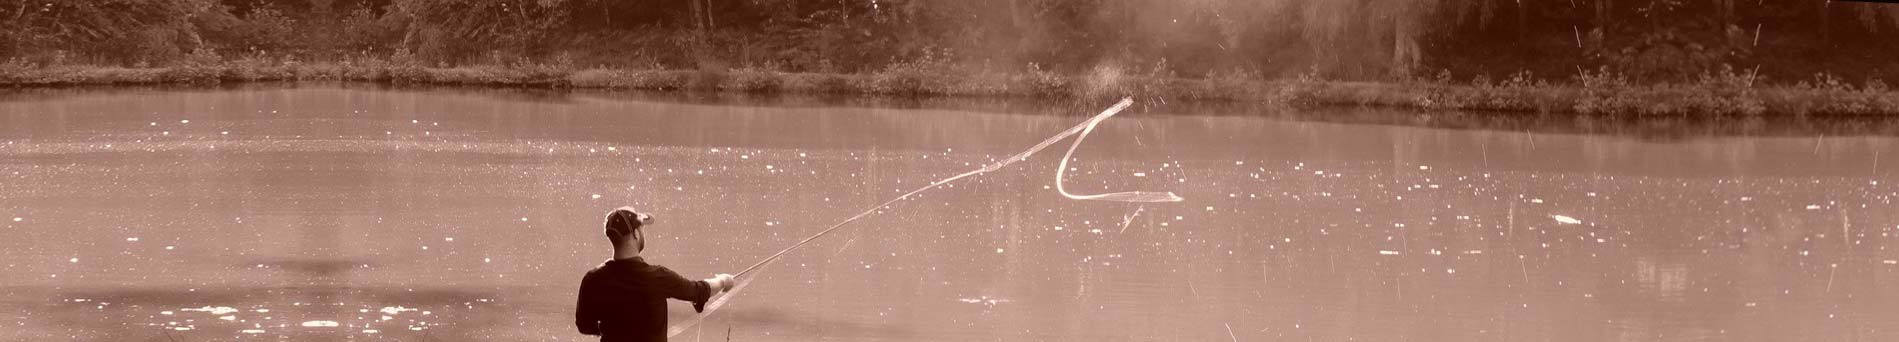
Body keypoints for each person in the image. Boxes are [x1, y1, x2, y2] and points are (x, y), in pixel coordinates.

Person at [576, 207, 737, 342]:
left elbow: (583, 325)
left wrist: (611, 331)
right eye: (642, 228)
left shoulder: (593, 279)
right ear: (636, 234)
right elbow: (698, 291)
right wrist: (723, 281)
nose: (643, 233)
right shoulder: (657, 277)